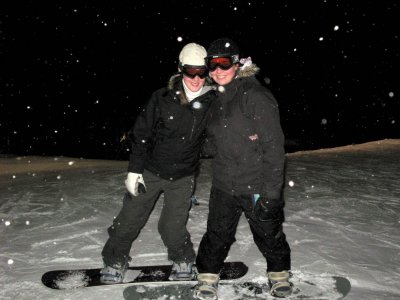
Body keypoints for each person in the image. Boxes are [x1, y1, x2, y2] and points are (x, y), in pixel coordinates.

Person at [100, 42, 216, 283]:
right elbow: (141, 135)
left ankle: (183, 258)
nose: (195, 78)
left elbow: (222, 131)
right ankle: (114, 260)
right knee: (128, 221)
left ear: (207, 71)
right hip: (150, 171)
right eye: (190, 71)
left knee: (172, 227)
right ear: (180, 69)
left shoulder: (213, 101)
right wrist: (134, 171)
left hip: (183, 176)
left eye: (201, 72)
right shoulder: (162, 98)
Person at [193, 38, 292, 299]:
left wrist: (272, 194)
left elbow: (273, 149)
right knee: (216, 234)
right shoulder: (214, 99)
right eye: (211, 65)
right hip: (224, 183)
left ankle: (279, 275)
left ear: (237, 64)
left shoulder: (256, 96)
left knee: (268, 233)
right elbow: (213, 143)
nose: (217, 71)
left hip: (256, 184)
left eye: (224, 63)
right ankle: (207, 277)